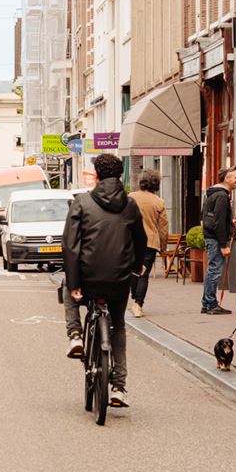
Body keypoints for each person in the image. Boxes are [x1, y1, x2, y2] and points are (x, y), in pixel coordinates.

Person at [63, 153, 150, 408]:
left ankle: (76, 335)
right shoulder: (130, 205)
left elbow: (70, 245)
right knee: (119, 326)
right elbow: (140, 240)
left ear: (97, 176)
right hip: (118, 281)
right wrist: (136, 267)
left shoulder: (81, 202)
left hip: (88, 279)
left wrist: (74, 281)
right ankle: (119, 388)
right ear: (120, 175)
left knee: (68, 291)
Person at [127, 169, 171, 318]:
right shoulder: (159, 202)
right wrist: (164, 247)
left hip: (131, 241)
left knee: (133, 271)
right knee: (143, 274)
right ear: (156, 184)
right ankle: (138, 304)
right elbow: (163, 227)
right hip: (149, 242)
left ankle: (134, 299)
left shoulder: (131, 197)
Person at [200, 167, 236, 318]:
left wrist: (230, 222)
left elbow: (213, 217)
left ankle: (207, 303)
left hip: (211, 237)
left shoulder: (214, 194)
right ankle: (211, 304)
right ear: (226, 179)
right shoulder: (222, 196)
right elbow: (217, 222)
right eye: (235, 177)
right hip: (215, 239)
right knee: (214, 270)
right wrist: (223, 245)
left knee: (212, 270)